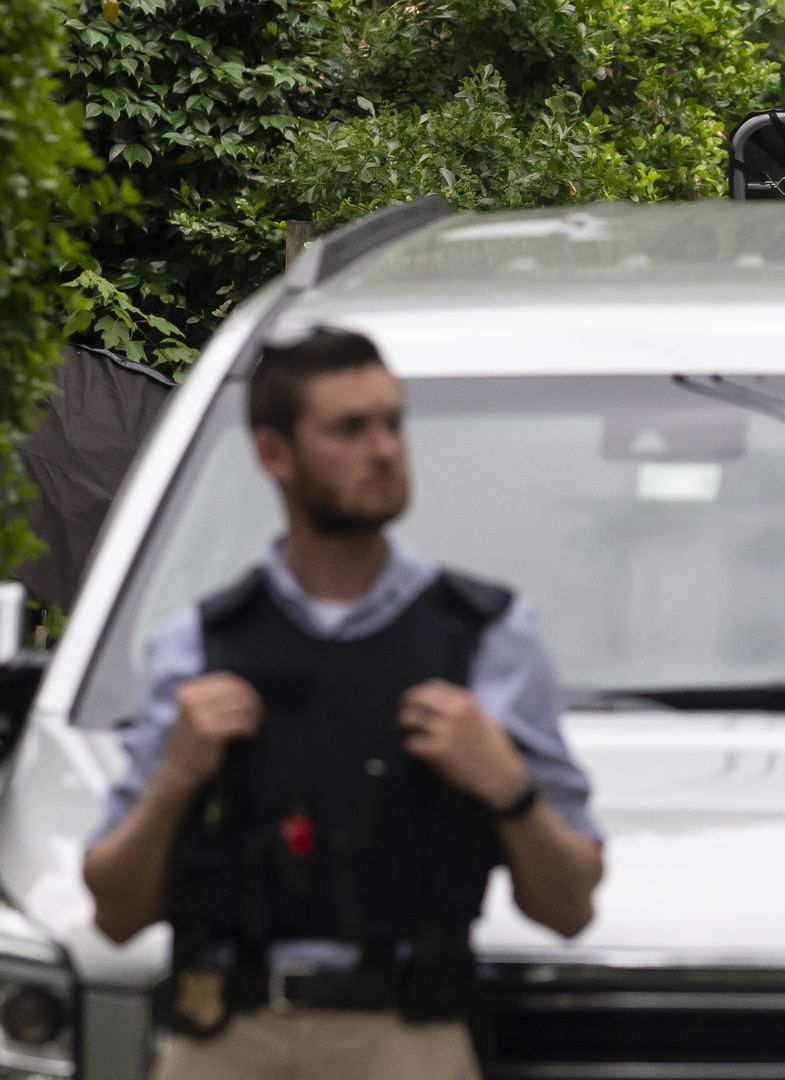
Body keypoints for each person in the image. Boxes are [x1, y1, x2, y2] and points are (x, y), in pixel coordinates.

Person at [82, 328, 605, 1080]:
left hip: (405, 1036)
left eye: (392, 422)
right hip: (228, 1035)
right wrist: (174, 781)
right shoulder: (196, 648)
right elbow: (115, 911)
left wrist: (507, 787)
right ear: (274, 454)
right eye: (349, 429)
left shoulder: (486, 639)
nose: (386, 449)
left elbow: (571, 908)